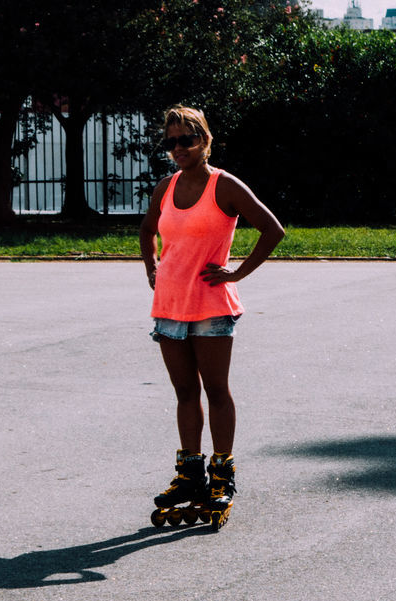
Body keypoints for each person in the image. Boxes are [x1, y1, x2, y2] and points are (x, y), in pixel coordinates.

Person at [139, 106, 285, 529]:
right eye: (171, 142)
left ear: (205, 139)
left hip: (211, 307)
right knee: (185, 393)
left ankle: (222, 474)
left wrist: (237, 272)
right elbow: (148, 229)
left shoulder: (225, 186)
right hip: (169, 307)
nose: (179, 148)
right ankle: (190, 474)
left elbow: (272, 229)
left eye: (187, 139)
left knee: (215, 390)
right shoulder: (165, 187)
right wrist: (151, 266)